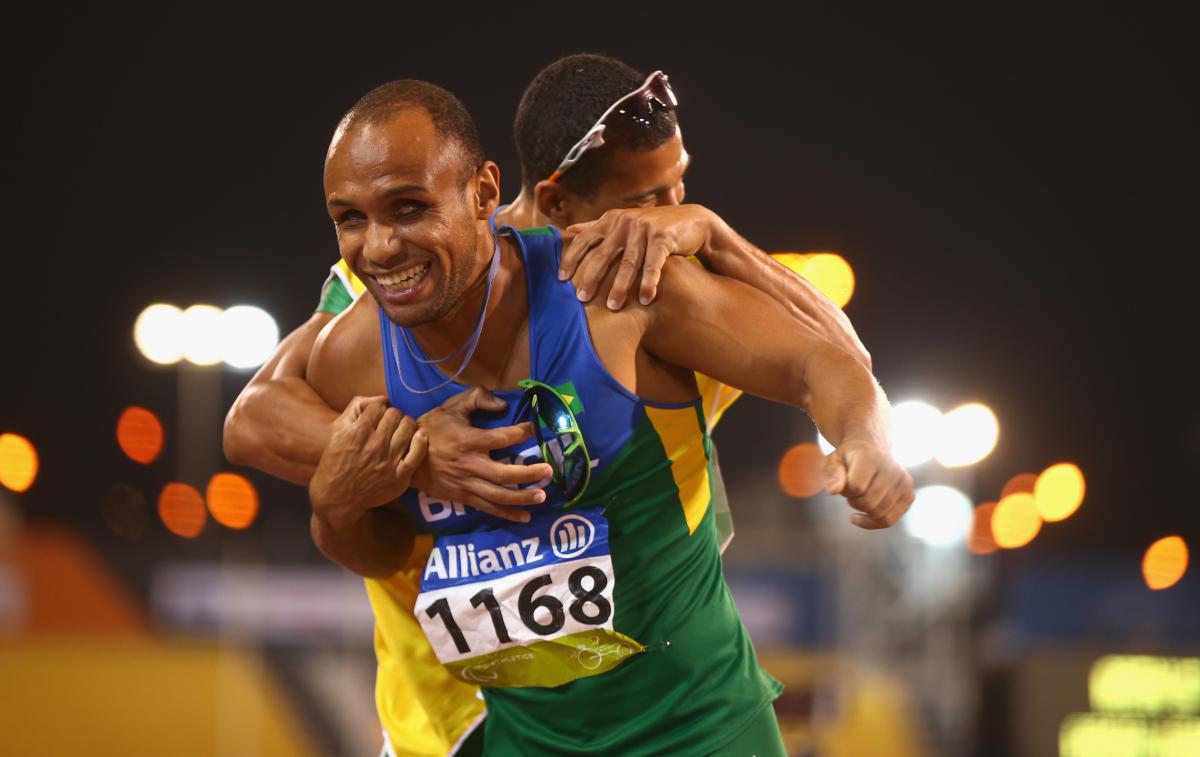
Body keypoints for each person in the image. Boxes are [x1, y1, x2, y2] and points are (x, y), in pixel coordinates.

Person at [223, 54, 874, 756]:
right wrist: (414, 453)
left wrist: (712, 231)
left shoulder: (648, 291)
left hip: (660, 693)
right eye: (652, 200)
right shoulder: (400, 276)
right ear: (560, 204)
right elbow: (252, 418)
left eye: (681, 191)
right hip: (448, 713)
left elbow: (838, 360)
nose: (670, 218)